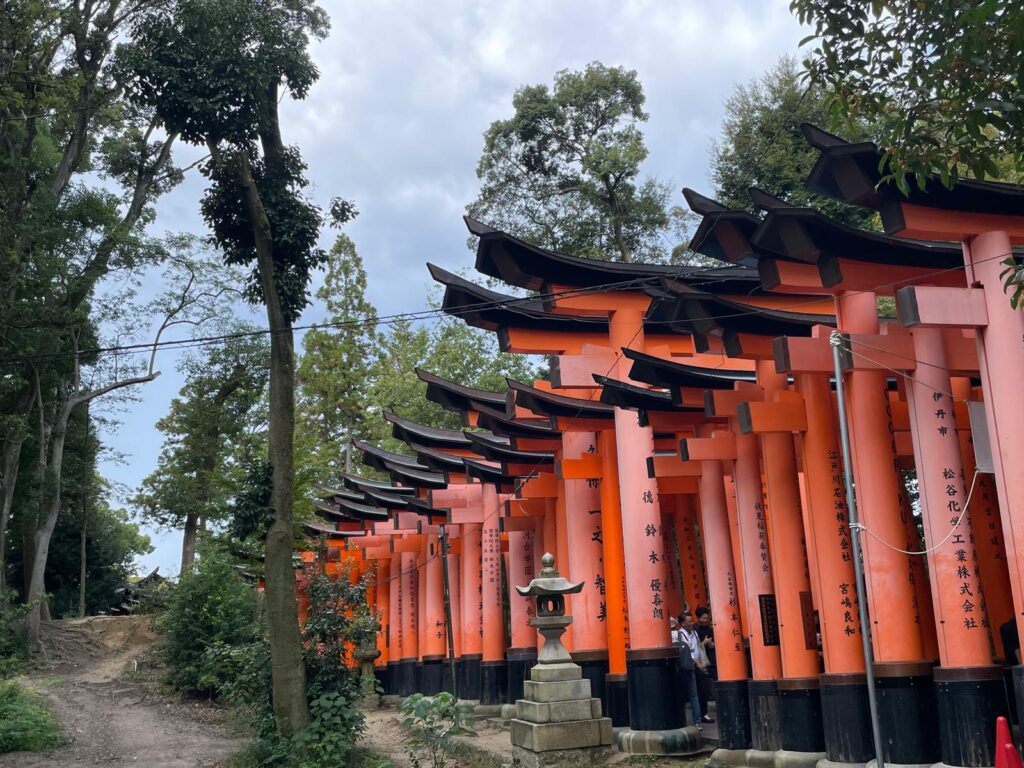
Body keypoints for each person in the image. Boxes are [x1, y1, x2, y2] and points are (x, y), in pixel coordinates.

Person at [673, 611, 714, 726]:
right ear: (682, 623)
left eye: (692, 621)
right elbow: (686, 653)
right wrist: (697, 663)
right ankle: (692, 720)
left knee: (701, 691)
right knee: (690, 693)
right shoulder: (678, 635)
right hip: (688, 667)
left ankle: (701, 716)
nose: (692, 623)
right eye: (689, 621)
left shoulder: (694, 633)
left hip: (698, 665)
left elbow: (697, 647)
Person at [694, 607, 716, 714]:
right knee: (703, 685)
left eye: (707, 618)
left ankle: (712, 697)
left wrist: (712, 644)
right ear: (698, 618)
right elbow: (695, 646)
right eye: (703, 618)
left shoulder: (711, 628)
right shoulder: (695, 629)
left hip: (711, 658)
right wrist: (704, 643)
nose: (705, 620)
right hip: (701, 660)